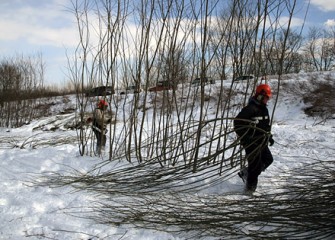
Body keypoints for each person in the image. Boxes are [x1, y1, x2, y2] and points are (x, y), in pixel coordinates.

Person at [234, 84, 275, 192]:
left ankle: (246, 173)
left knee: (268, 159)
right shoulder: (250, 109)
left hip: (261, 141)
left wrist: (269, 136)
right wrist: (247, 138)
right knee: (255, 167)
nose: (267, 100)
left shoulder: (264, 110)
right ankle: (249, 191)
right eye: (266, 97)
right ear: (260, 96)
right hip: (251, 143)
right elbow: (237, 124)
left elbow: (265, 125)